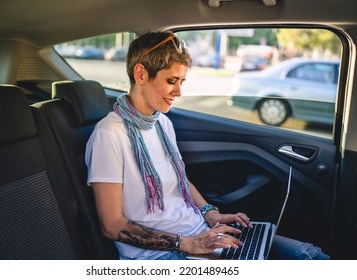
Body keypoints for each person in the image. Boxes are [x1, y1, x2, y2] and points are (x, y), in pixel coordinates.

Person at [85, 31, 329, 260]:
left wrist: (210, 214)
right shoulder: (109, 134)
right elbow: (112, 225)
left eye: (182, 81)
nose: (178, 91)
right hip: (163, 255)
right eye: (172, 80)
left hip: (201, 233)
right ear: (141, 74)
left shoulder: (162, 123)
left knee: (311, 256)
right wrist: (189, 243)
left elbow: (180, 181)